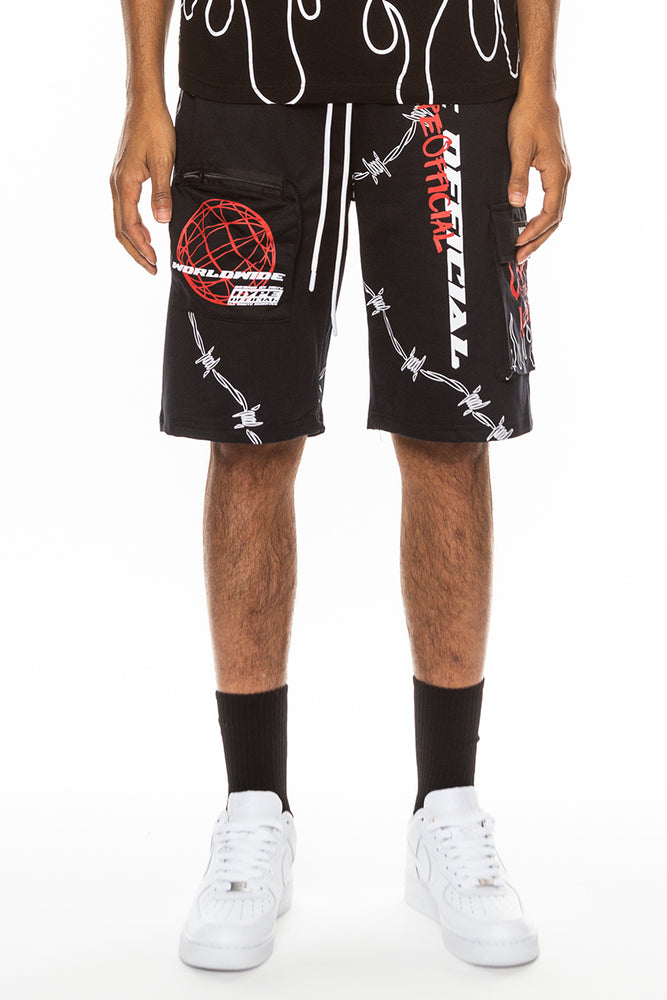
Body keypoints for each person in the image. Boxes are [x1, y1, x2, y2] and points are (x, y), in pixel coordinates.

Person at [110, 0, 570, 972]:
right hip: (246, 70)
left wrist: (540, 80)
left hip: (450, 67)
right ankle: (253, 807)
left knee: (449, 434)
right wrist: (143, 88)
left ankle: (447, 804)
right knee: (248, 437)